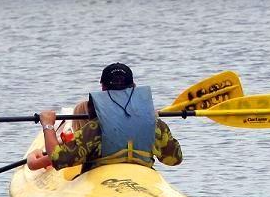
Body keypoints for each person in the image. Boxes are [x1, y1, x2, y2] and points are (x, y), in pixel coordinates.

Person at [25, 62, 183, 172]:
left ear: (103, 89)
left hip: (102, 184)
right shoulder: (155, 124)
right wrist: (150, 118)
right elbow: (174, 159)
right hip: (142, 180)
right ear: (134, 87)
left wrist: (48, 125)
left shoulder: (95, 128)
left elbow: (59, 160)